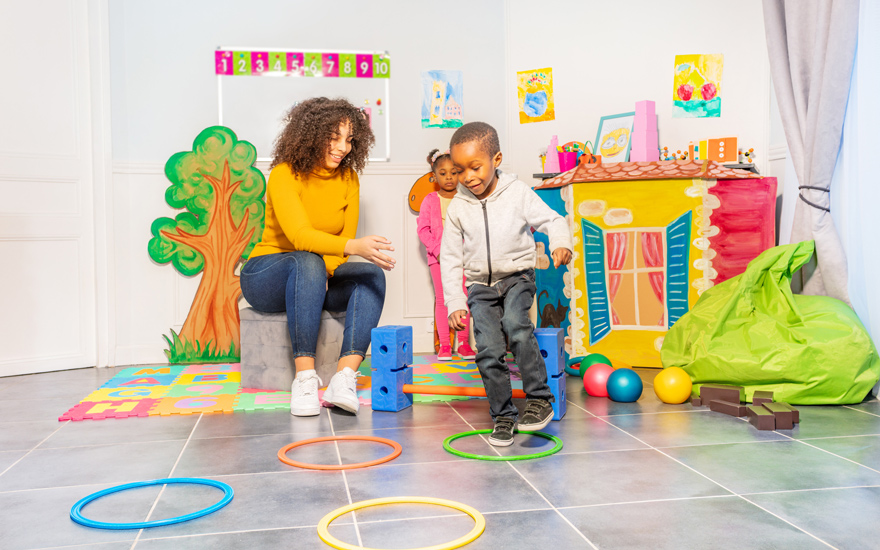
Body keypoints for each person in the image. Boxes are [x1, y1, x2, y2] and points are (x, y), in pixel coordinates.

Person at [241, 97, 395, 417]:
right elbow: (300, 237)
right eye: (334, 137)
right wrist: (349, 250)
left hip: (314, 276)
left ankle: (344, 377)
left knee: (371, 275)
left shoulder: (349, 178)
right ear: (311, 135)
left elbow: (340, 240)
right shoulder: (284, 173)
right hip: (265, 274)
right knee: (306, 259)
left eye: (350, 140)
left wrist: (325, 273)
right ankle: (305, 378)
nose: (343, 147)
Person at [440, 122, 572, 446]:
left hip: (516, 278)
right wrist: (455, 302)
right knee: (487, 350)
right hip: (479, 289)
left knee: (516, 324)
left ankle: (540, 399)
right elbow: (450, 257)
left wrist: (560, 242)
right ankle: (503, 416)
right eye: (460, 170)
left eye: (475, 167)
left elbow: (553, 219)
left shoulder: (517, 193)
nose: (468, 176)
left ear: (496, 159)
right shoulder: (458, 208)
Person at [416, 149, 477, 361]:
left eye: (453, 172)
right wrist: (437, 249)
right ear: (434, 175)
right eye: (443, 173)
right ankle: (444, 345)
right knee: (442, 300)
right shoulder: (430, 200)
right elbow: (423, 230)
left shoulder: (465, 199)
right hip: (438, 259)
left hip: (464, 258)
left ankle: (463, 344)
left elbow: (472, 228)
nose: (449, 177)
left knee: (463, 298)